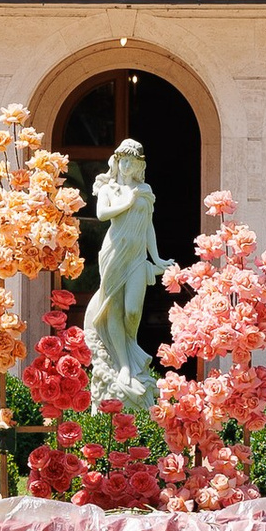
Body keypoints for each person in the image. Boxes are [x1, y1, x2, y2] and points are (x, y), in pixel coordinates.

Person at [81, 138, 166, 406]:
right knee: (114, 308)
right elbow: (102, 214)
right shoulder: (110, 188)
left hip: (137, 258)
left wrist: (156, 257)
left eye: (131, 161)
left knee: (132, 311)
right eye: (122, 160)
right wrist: (128, 201)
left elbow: (148, 226)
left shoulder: (145, 190)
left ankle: (130, 351)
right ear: (117, 162)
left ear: (139, 165)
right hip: (114, 254)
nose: (126, 165)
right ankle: (124, 365)